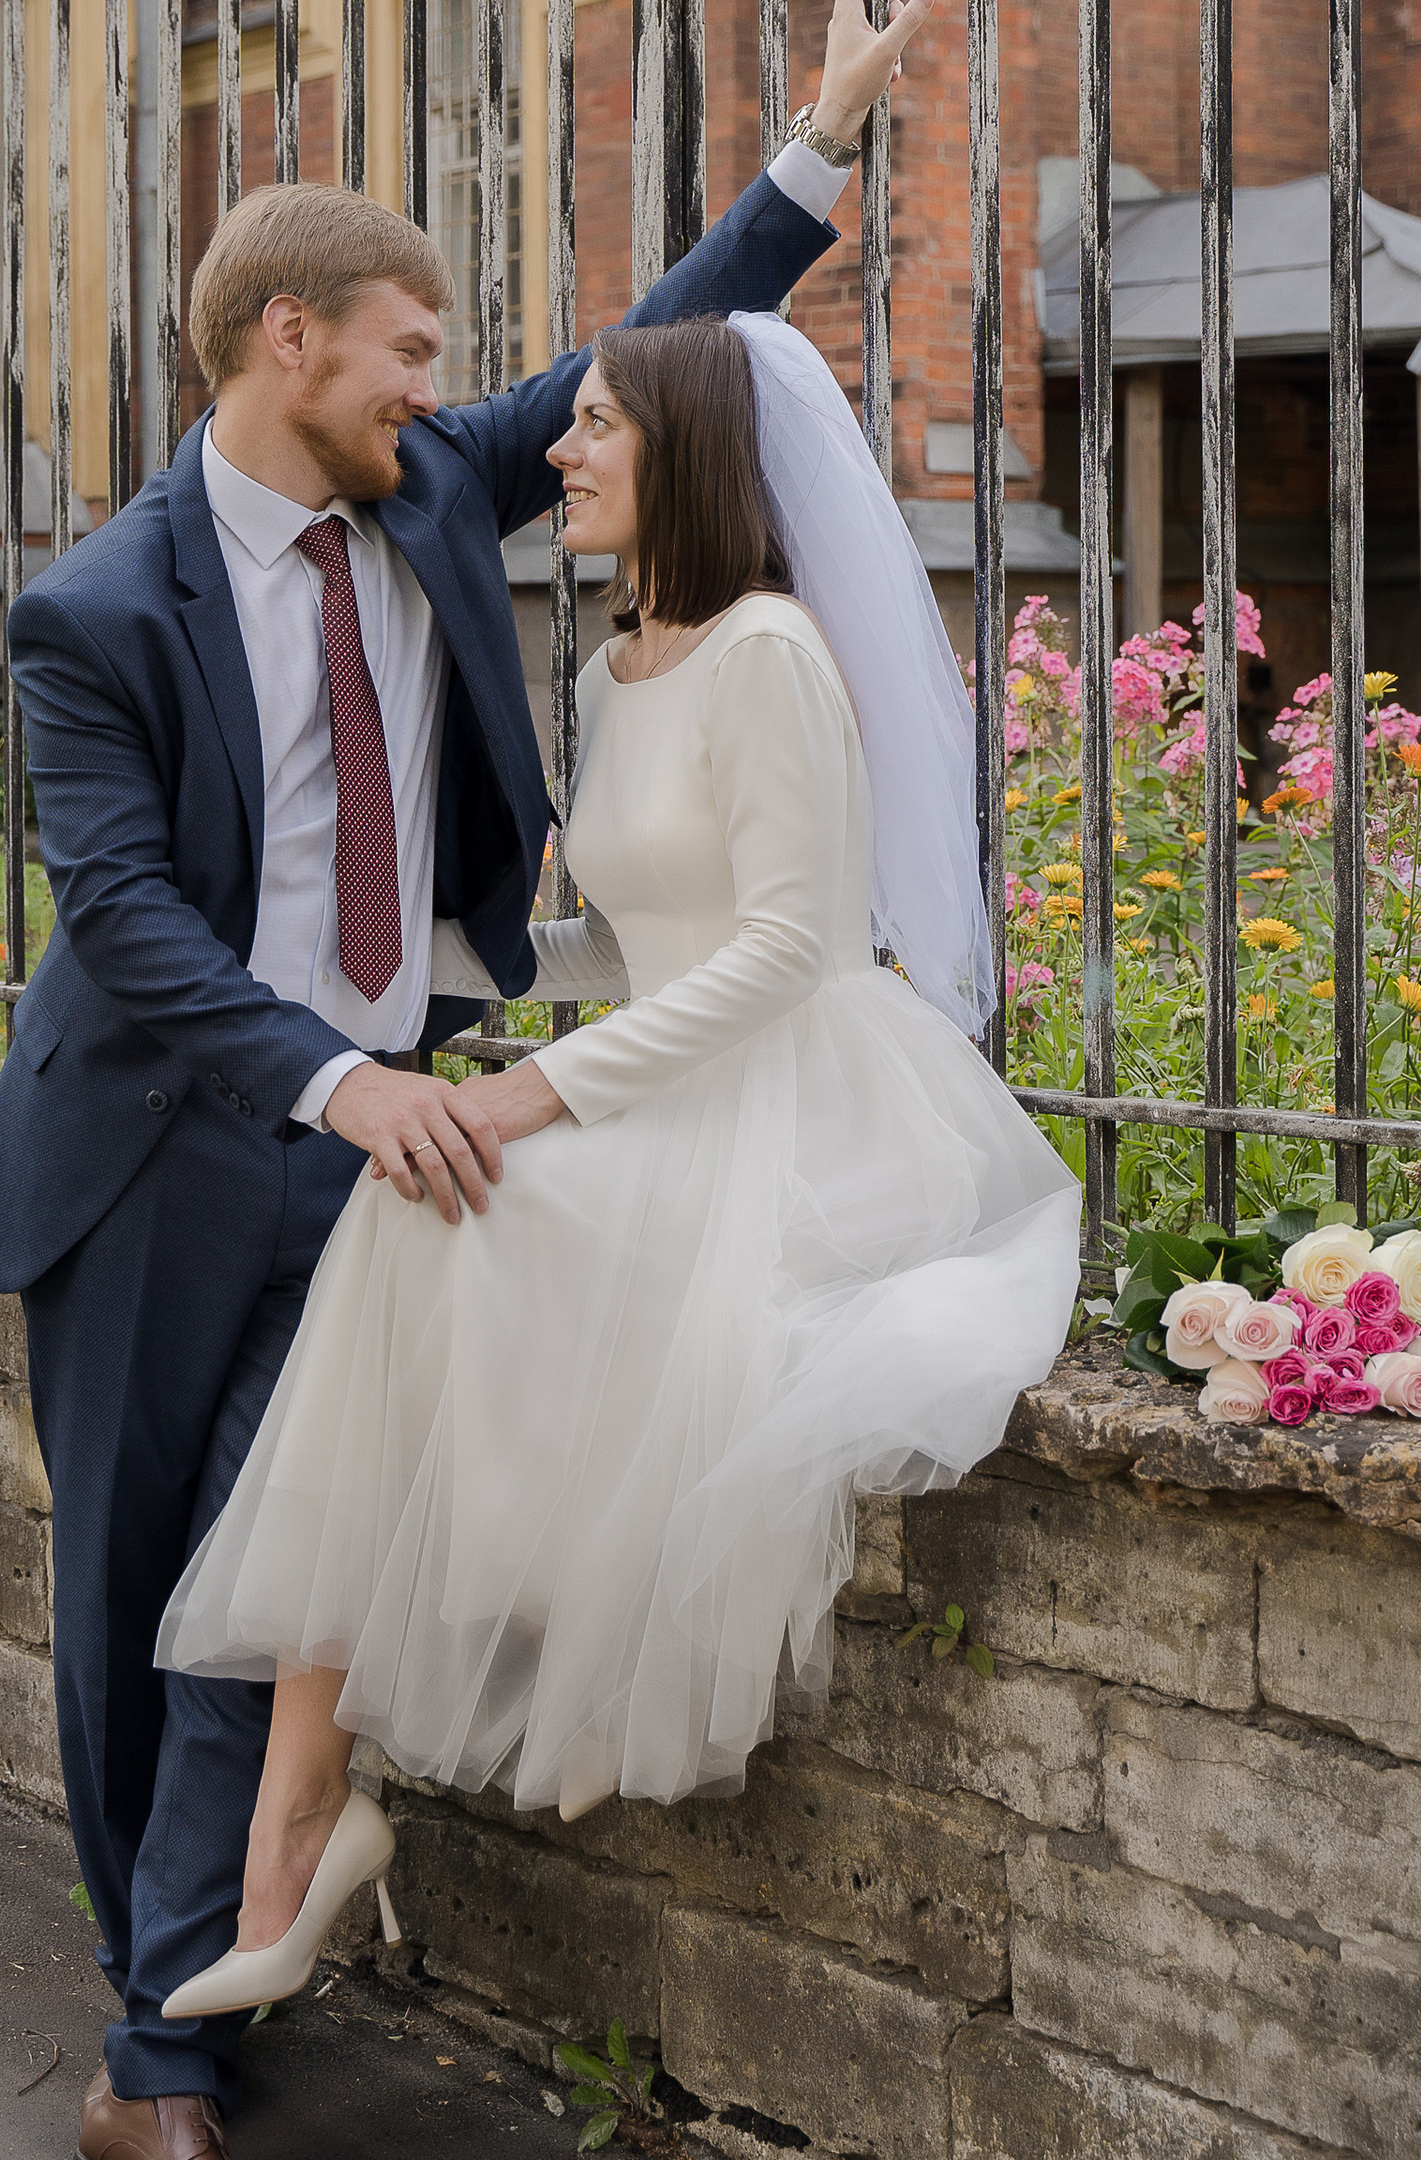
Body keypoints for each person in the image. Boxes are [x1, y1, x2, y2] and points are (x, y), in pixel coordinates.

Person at [0, 0, 928, 2160]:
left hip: (401, 1155)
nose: (443, 390)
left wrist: (821, 142)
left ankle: (161, 2076)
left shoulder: (424, 494)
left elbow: (656, 348)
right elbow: (123, 924)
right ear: (289, 346)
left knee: (263, 1590)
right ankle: (170, 1987)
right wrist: (335, 1082)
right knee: (122, 1609)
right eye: (404, 349)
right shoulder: (97, 611)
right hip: (166, 1152)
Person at [154, 305, 1080, 2014]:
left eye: (594, 429)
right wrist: (384, 985)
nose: (559, 459)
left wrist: (536, 1099)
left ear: (686, 453)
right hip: (674, 1082)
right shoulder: (612, 666)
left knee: (444, 1199)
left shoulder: (774, 654)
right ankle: (314, 1813)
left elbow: (790, 951)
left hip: (806, 1107)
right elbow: (632, 941)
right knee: (416, 1194)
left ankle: (324, 1814)